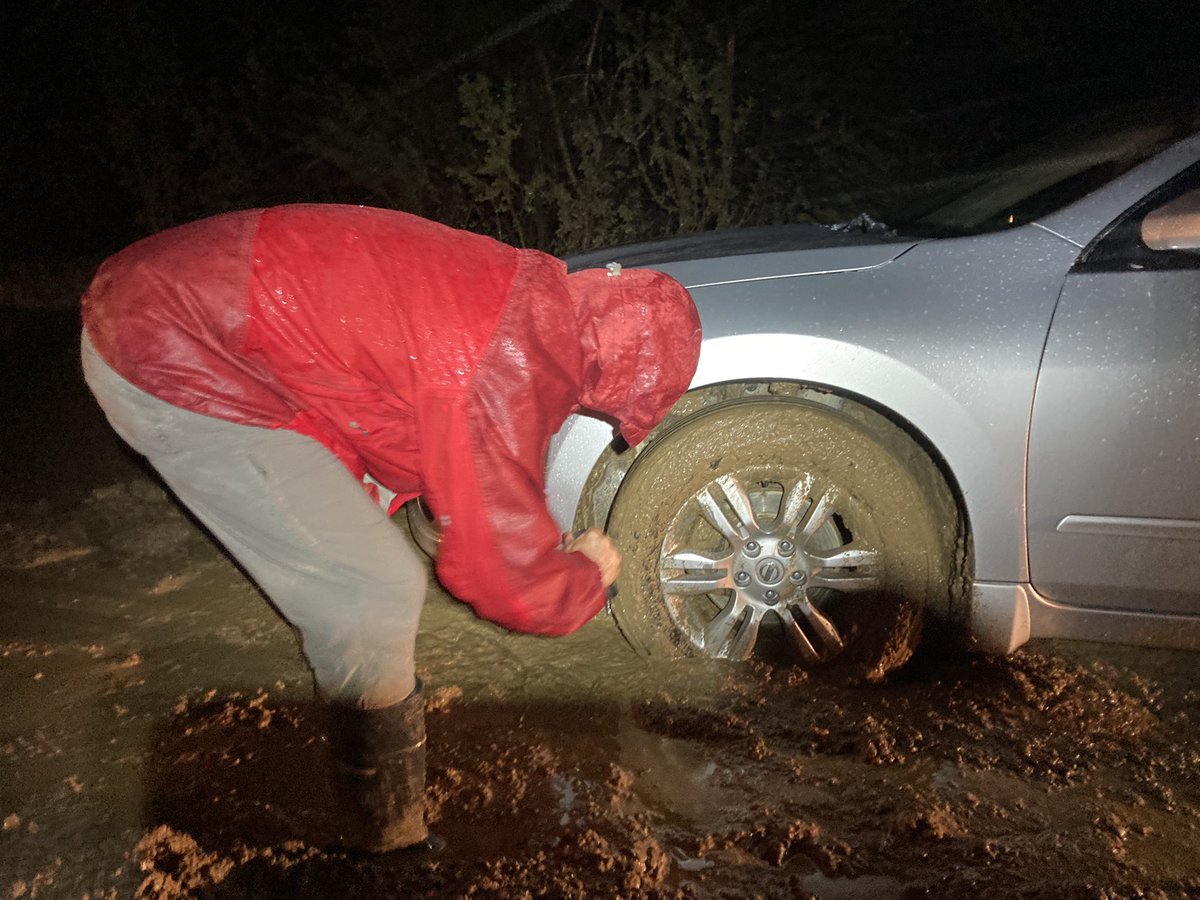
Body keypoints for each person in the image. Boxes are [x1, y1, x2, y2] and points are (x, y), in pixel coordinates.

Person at [79, 204, 702, 852]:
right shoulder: (512, 359)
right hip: (169, 350)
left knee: (354, 553)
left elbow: (394, 416)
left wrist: (447, 510)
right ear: (616, 371)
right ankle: (383, 841)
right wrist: (584, 576)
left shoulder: (524, 299)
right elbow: (503, 578)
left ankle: (356, 729)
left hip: (184, 312)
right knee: (371, 589)